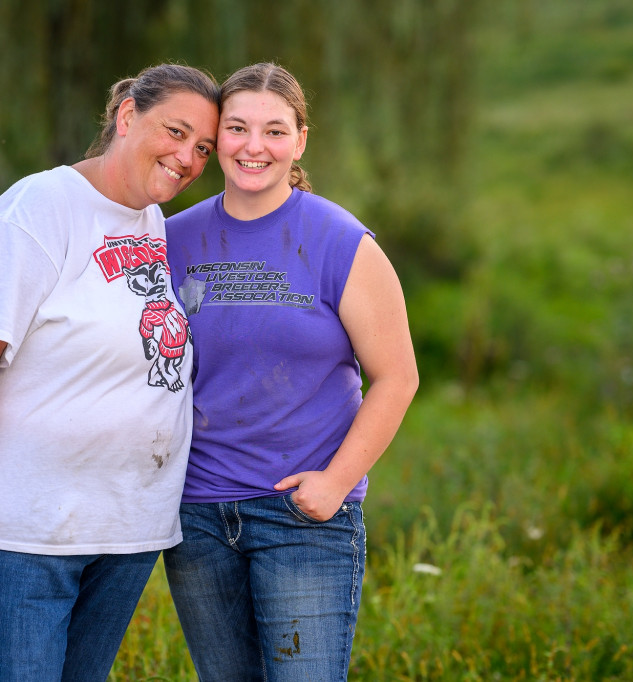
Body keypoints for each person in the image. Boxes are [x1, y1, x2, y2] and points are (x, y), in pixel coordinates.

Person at [0, 63, 219, 682]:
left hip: (121, 527)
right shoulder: (39, 207)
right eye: (176, 132)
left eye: (204, 148)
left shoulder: (155, 225)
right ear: (127, 115)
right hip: (19, 530)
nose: (188, 157)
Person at [162, 62, 419, 681]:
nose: (255, 147)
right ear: (214, 139)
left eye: (275, 131)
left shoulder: (339, 240)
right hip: (195, 517)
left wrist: (333, 485)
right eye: (238, 128)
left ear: (300, 140)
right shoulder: (172, 239)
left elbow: (397, 376)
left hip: (301, 519)